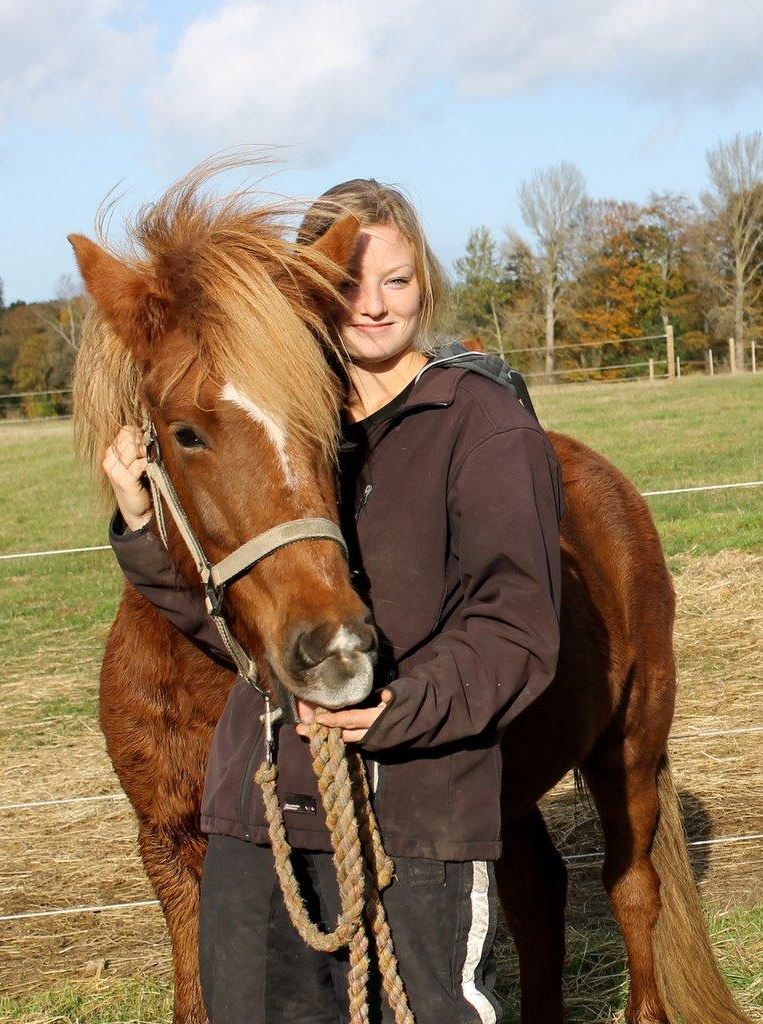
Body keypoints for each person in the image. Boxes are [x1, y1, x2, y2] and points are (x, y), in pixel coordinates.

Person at [103, 179, 564, 1024]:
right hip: (269, 802)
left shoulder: (482, 424)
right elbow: (239, 630)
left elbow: (518, 626)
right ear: (307, 295)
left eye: (398, 280)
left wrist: (398, 709)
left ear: (426, 282)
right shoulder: (292, 424)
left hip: (419, 803)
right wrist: (140, 528)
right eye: (349, 285)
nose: (375, 307)